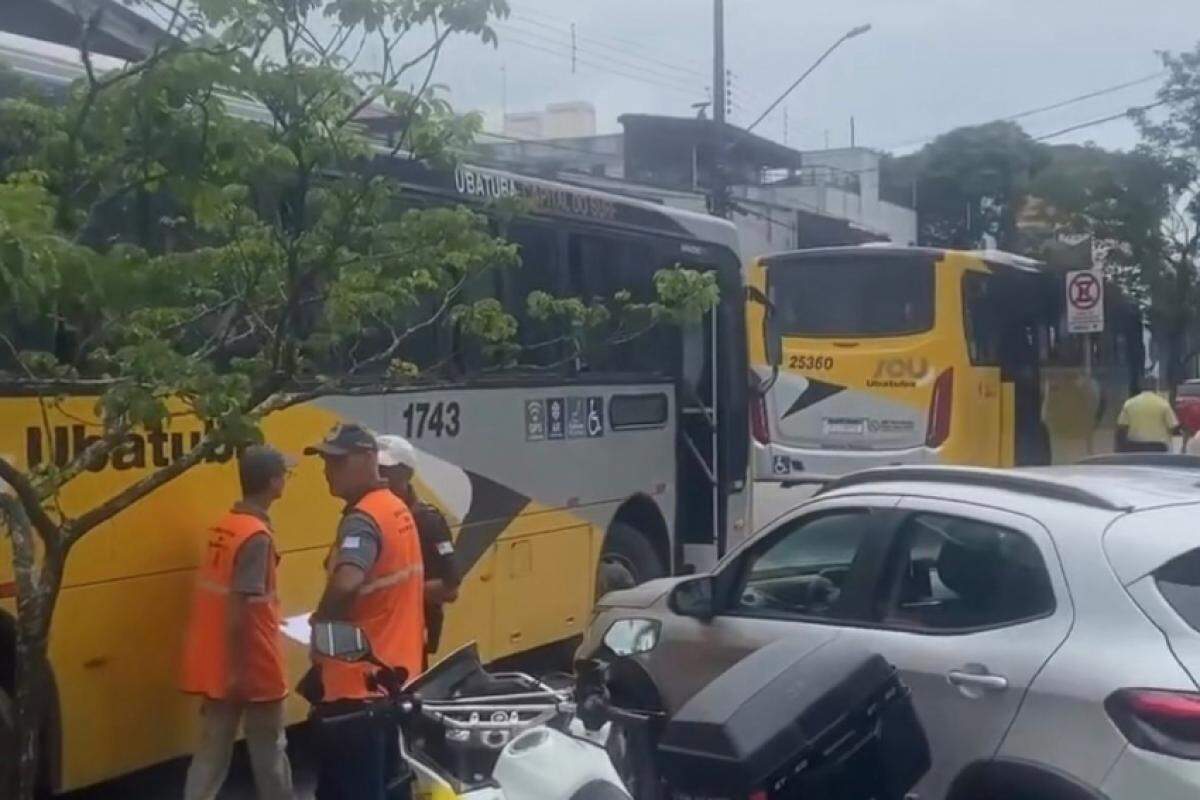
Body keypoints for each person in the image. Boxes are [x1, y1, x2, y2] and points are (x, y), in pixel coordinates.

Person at [304, 423, 425, 800]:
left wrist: (321, 624)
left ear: (369, 459)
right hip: (395, 679)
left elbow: (347, 582)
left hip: (357, 688)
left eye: (338, 461)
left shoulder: (363, 518)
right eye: (326, 461)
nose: (328, 470)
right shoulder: (396, 509)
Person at [180, 445, 295, 800]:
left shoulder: (225, 527)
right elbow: (240, 608)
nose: (286, 481)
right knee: (270, 753)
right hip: (253, 664)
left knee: (211, 753)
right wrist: (239, 673)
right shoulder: (256, 537)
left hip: (219, 664)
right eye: (284, 474)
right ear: (273, 481)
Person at [376, 435, 461, 665]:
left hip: (410, 637)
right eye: (375, 468)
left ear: (406, 473)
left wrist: (397, 593)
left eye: (386, 468)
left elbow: (450, 587)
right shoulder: (366, 516)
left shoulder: (427, 521)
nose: (379, 475)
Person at [1116, 377, 1182, 453]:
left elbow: (1122, 426)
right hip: (1159, 446)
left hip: (1135, 445)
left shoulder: (1129, 403)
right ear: (1155, 387)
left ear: (1140, 387)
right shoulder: (1163, 404)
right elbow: (1173, 426)